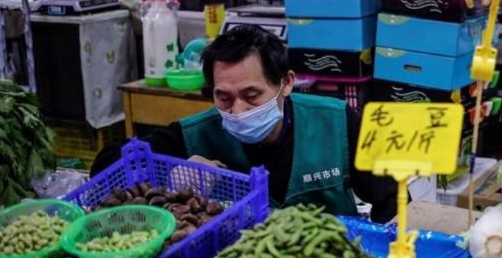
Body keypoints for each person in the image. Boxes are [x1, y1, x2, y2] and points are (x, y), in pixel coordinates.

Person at [93, 26, 398, 221]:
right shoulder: (197, 133)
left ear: (287, 83)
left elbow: (394, 204)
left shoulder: (337, 122)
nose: (237, 110)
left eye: (251, 95)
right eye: (223, 97)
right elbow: (104, 166)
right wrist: (168, 173)